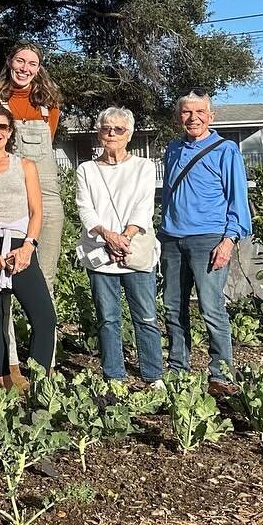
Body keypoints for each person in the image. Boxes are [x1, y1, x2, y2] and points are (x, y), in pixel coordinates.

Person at [160, 93, 251, 395]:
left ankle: (221, 375)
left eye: (200, 112)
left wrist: (229, 240)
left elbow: (238, 198)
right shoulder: (172, 149)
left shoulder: (226, 151)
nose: (193, 117)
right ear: (179, 117)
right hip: (172, 238)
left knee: (212, 309)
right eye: (186, 112)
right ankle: (178, 369)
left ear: (211, 116)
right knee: (173, 307)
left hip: (209, 239)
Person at [73, 107, 163, 388]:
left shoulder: (144, 167)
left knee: (146, 316)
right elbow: (85, 208)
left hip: (134, 250)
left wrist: (124, 237)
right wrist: (107, 235)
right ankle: (113, 374)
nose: (111, 134)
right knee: (107, 318)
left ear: (130, 134)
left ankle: (152, 374)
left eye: (118, 129)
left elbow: (144, 206)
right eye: (106, 128)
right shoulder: (86, 169)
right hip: (100, 251)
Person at [0, 105, 57, 385]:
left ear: (10, 133)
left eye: (1, 127)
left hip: (19, 246)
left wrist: (28, 247)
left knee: (44, 316)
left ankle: (39, 380)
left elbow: (37, 211)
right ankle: (1, 380)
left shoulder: (24, 166)